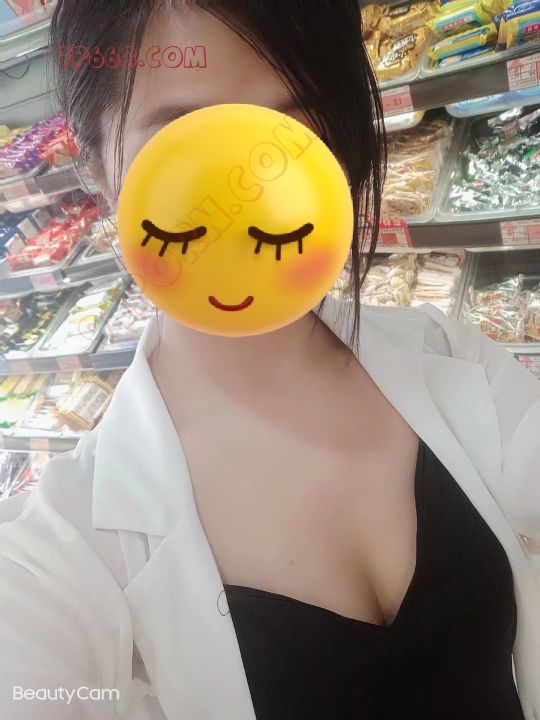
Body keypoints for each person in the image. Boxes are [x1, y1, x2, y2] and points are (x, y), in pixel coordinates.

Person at [0, 2, 538, 719]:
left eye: (297, 132)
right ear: (100, 166)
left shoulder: (453, 355)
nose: (249, 198)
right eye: (188, 141)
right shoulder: (60, 552)